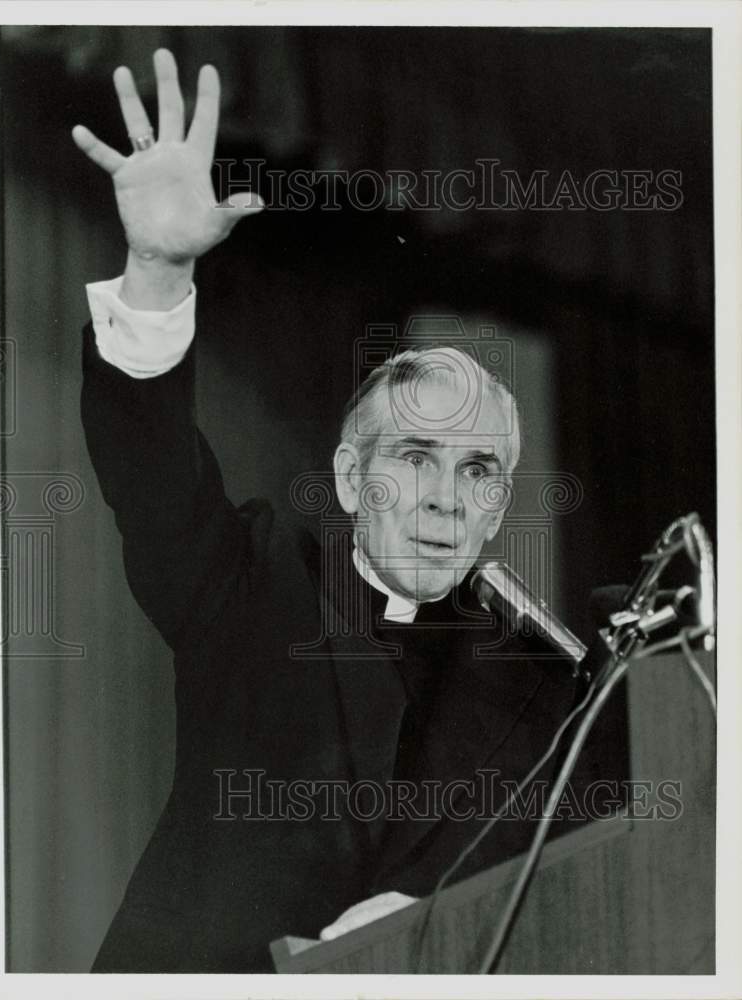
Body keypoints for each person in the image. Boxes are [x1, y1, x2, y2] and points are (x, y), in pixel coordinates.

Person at [74, 48, 577, 973]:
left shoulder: (547, 679)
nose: (443, 499)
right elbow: (150, 470)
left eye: (477, 473)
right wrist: (155, 269)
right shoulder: (251, 582)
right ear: (351, 479)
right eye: (416, 459)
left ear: (498, 503)